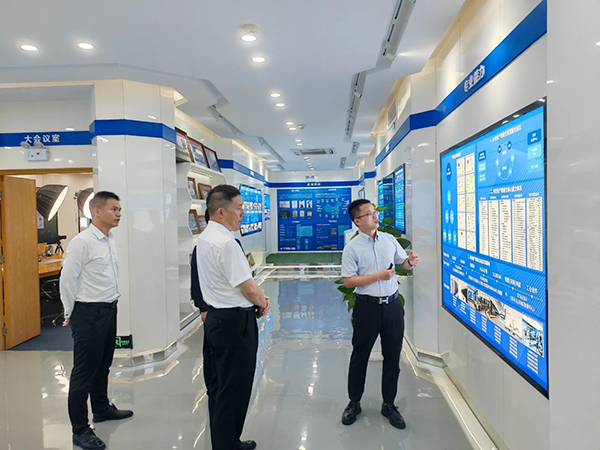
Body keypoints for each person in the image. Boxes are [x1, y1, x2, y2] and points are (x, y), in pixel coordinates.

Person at [196, 185, 269, 450]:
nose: (242, 214)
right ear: (220, 211)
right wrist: (262, 302)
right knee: (235, 386)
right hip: (234, 324)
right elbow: (247, 287)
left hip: (217, 320)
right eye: (239, 208)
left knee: (219, 386)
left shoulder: (205, 238)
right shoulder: (226, 243)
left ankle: (224, 441)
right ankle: (228, 444)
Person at [60, 191, 133, 450]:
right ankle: (80, 430)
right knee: (84, 372)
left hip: (108, 309)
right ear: (97, 212)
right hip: (88, 312)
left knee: (103, 365)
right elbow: (67, 279)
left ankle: (101, 408)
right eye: (114, 209)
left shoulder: (109, 240)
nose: (119, 214)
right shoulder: (82, 242)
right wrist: (69, 311)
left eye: (120, 209)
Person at [340, 199, 420, 430]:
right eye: (369, 214)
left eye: (374, 212)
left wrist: (410, 262)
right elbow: (348, 281)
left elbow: (402, 263)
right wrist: (378, 276)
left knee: (392, 357)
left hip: (392, 307)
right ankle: (354, 402)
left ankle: (389, 404)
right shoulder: (352, 248)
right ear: (357, 221)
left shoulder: (388, 239)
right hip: (367, 308)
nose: (375, 216)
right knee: (360, 356)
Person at [190, 210, 245, 421]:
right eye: (237, 209)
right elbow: (197, 280)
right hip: (216, 312)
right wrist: (202, 307)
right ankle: (214, 392)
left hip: (233, 311)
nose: (241, 214)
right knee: (213, 357)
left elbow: (241, 280)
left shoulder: (233, 244)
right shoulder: (203, 246)